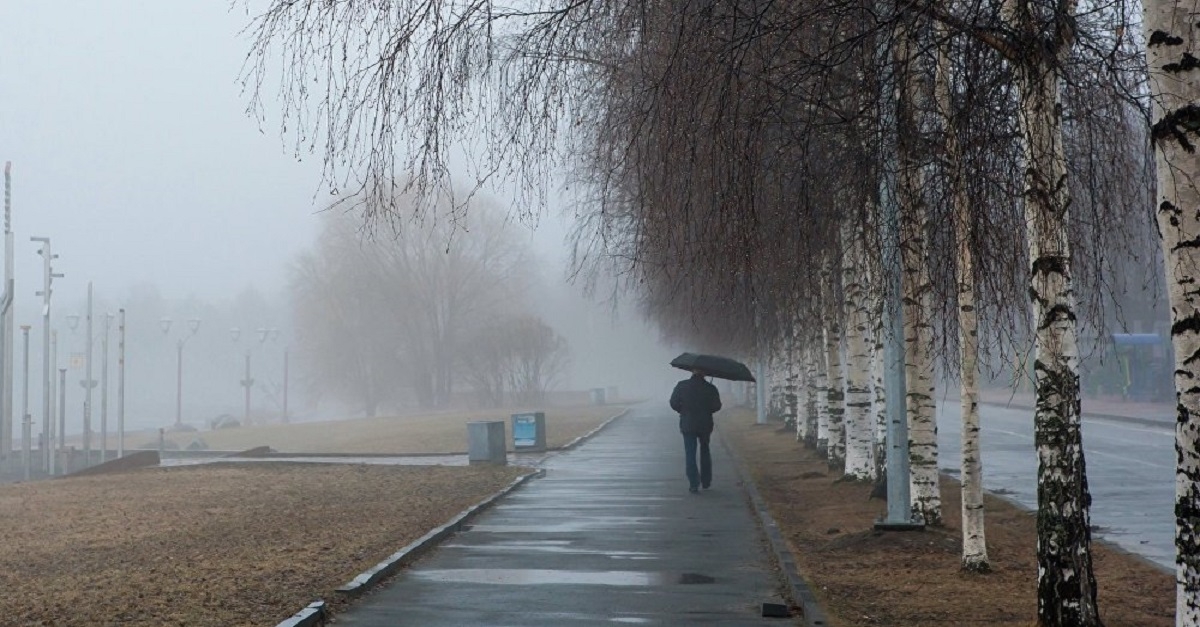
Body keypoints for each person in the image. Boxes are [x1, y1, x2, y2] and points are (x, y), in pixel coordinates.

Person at [669, 368, 722, 493]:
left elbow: (673, 403)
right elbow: (717, 406)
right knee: (705, 451)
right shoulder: (710, 388)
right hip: (705, 424)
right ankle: (706, 480)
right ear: (704, 373)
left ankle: (693, 482)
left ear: (692, 372)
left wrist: (682, 410)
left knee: (690, 453)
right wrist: (707, 410)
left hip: (687, 423)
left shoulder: (682, 385)